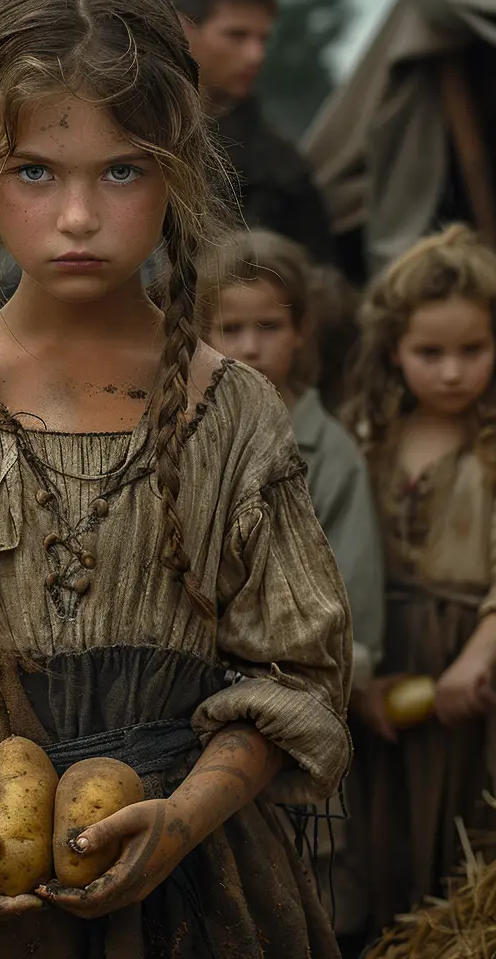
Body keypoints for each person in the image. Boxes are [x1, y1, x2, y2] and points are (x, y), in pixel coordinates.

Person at [0, 0, 352, 957]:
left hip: (198, 902)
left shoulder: (234, 416)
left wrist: (181, 818)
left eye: (124, 170)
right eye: (36, 171)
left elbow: (295, 678)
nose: (80, 217)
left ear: (178, 169)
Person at [341, 225, 496, 935]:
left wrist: (475, 661)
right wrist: (358, 677)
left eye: (474, 350)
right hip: (382, 651)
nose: (454, 371)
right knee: (384, 832)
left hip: (469, 658)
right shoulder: (368, 435)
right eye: (429, 353)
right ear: (393, 351)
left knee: (469, 831)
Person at [200, 228, 383, 944]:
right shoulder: (182, 436)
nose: (249, 347)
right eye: (229, 328)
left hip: (295, 713)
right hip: (191, 715)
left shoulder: (328, 455)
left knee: (310, 886)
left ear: (301, 330)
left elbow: (354, 618)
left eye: (268, 327)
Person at [170, 0, 336, 266]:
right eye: (237, 35)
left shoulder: (283, 170)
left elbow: (317, 287)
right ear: (184, 28)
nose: (255, 55)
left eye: (263, 39)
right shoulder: (133, 137)